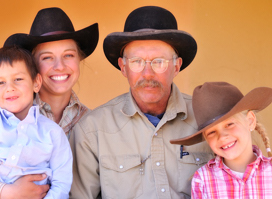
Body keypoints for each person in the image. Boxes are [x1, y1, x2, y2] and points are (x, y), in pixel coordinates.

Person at [70, 6, 214, 199]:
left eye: (159, 61)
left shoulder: (208, 120)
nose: (147, 74)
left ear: (176, 66)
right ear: (123, 67)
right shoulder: (92, 131)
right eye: (137, 61)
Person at [0, 7, 99, 199]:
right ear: (32, 66)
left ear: (79, 59)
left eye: (69, 55)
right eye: (47, 57)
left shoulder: (92, 125)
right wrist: (4, 192)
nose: (60, 66)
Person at [0, 46, 72, 199]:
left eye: (18, 79)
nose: (10, 88)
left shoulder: (52, 132)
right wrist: (1, 192)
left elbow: (62, 183)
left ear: (36, 83)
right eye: (0, 83)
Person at [170, 82, 272, 198]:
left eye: (230, 124)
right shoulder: (203, 179)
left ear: (250, 121)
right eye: (212, 132)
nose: (222, 136)